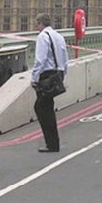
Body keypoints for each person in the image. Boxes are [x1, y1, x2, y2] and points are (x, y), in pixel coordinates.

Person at [32, 13, 69, 153]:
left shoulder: (42, 36)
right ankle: (53, 143)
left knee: (41, 108)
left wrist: (33, 77)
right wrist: (62, 74)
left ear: (41, 23)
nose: (36, 27)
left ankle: (52, 144)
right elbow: (65, 58)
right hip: (57, 74)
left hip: (47, 75)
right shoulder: (59, 36)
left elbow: (40, 60)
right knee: (47, 107)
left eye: (37, 24)